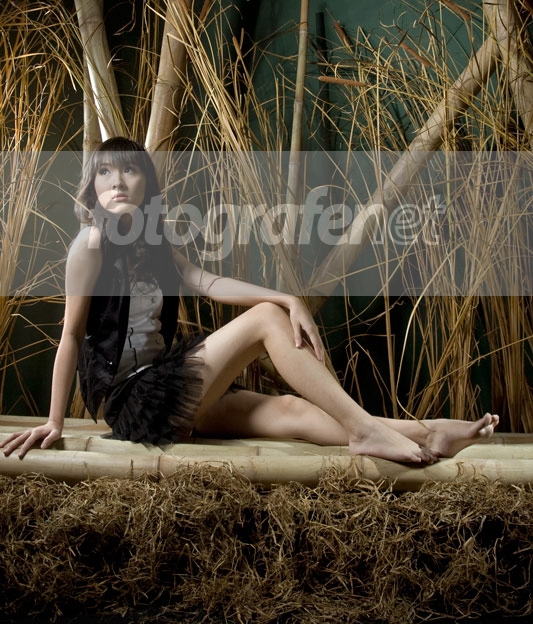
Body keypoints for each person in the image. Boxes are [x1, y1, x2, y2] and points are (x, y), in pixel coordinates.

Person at [1, 137, 499, 464]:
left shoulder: (154, 240)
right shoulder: (89, 245)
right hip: (133, 401)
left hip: (168, 387)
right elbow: (70, 336)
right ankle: (364, 431)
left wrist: (288, 297)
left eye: (129, 171)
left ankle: (428, 433)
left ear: (146, 183)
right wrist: (54, 421)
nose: (117, 181)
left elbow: (207, 281)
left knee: (290, 410)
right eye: (105, 173)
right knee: (264, 320)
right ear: (91, 187)